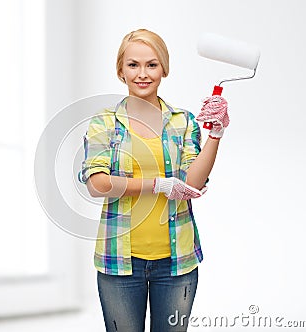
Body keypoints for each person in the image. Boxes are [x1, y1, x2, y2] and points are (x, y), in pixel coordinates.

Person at [79, 29, 229, 332]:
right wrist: (157, 184)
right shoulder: (104, 122)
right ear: (121, 70)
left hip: (177, 264)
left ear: (164, 68)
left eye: (152, 64)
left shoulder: (183, 121)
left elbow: (194, 184)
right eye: (133, 64)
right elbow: (97, 184)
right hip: (119, 263)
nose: (143, 74)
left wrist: (215, 134)